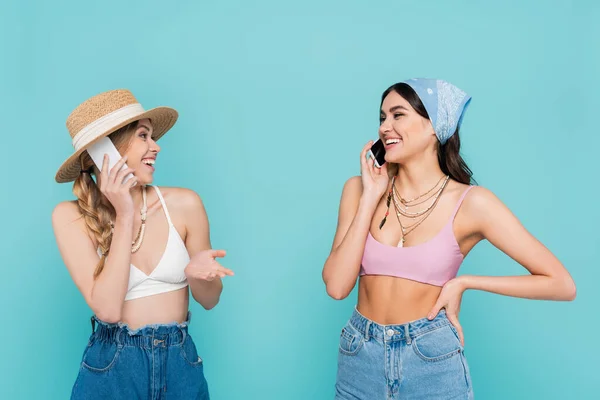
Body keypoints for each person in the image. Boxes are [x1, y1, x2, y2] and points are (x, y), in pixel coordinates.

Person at [322, 78, 576, 399]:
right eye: (382, 117)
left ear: (434, 127)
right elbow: (336, 286)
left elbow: (561, 284)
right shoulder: (358, 190)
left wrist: (465, 282)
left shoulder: (473, 203)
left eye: (398, 115)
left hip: (430, 358)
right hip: (360, 353)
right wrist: (371, 196)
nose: (386, 127)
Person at [52, 89, 233, 399]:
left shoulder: (185, 203)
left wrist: (197, 276)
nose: (156, 147)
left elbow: (210, 299)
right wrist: (124, 213)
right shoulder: (70, 217)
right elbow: (108, 310)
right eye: (144, 136)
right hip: (112, 368)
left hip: (180, 364)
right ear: (104, 152)